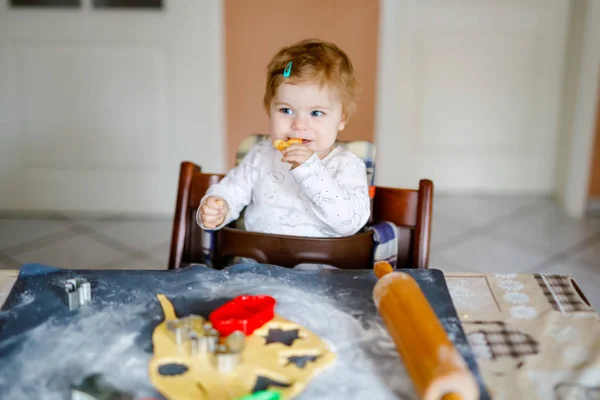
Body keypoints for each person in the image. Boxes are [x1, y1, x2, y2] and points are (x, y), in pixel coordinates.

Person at [197, 39, 370, 239]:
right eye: (286, 110)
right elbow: (232, 190)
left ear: (341, 118)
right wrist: (218, 206)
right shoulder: (261, 155)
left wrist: (309, 168)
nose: (299, 125)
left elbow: (349, 223)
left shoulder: (347, 165)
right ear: (269, 111)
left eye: (315, 113)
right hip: (258, 263)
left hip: (321, 267)